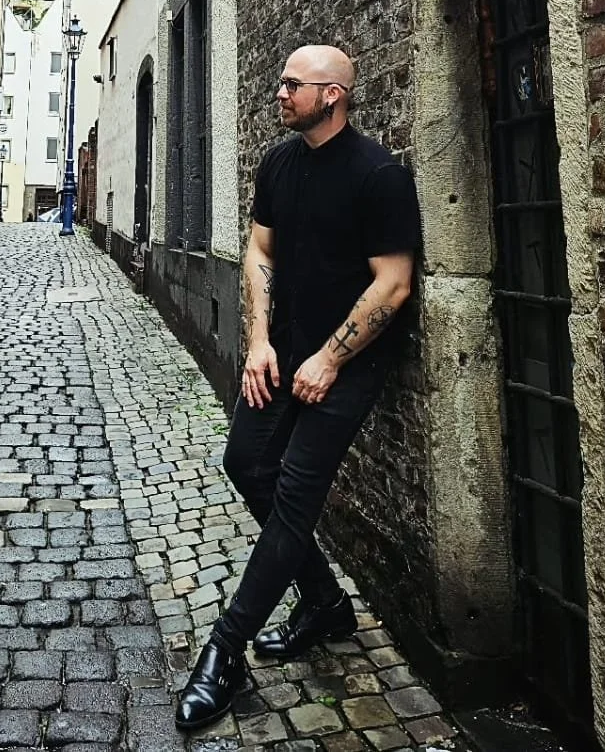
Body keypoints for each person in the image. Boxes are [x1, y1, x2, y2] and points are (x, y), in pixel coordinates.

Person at [175, 44, 422, 731]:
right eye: (279, 80)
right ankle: (324, 601)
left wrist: (330, 358)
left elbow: (393, 281)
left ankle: (224, 651)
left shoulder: (378, 174)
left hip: (350, 360)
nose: (278, 92)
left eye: (293, 84)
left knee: (293, 492)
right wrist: (259, 342)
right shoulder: (278, 163)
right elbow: (259, 250)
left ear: (333, 94)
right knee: (243, 462)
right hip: (284, 351)